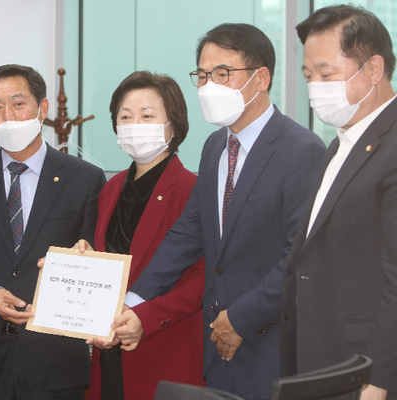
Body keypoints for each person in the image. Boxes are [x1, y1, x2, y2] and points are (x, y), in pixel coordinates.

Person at [125, 24, 326, 399]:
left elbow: (298, 260)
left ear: (261, 77)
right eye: (202, 75)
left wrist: (240, 319)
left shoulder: (303, 151)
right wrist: (132, 301)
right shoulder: (215, 146)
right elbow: (189, 232)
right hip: (215, 345)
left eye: (222, 74)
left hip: (269, 342)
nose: (207, 86)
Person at [0, 64, 106, 400]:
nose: (8, 116)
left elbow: (94, 250)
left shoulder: (84, 177)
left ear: (42, 108)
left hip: (54, 355)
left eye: (18, 103)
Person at [281, 5, 397, 399]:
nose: (315, 87)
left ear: (374, 69)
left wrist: (379, 380)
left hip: (364, 372)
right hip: (319, 363)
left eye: (327, 74)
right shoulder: (339, 145)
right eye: (308, 76)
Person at [76, 71, 205, 400]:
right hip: (108, 353)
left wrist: (145, 319)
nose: (135, 125)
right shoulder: (111, 188)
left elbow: (200, 279)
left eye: (147, 116)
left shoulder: (192, 189)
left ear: (173, 125)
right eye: (125, 117)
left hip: (164, 348)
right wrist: (83, 258)